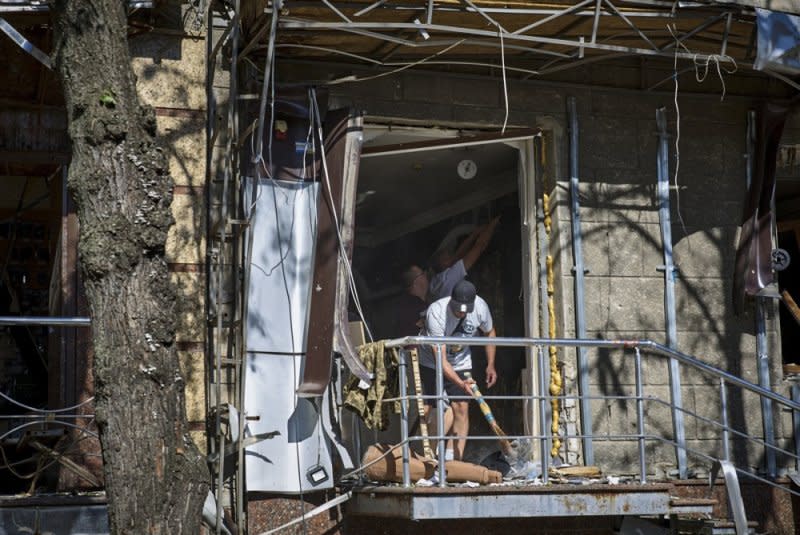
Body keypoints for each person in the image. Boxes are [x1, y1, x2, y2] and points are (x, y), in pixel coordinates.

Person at [419, 279, 497, 461]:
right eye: (457, 309)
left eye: (465, 310)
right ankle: (428, 458)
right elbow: (441, 359)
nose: (461, 313)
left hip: (461, 360)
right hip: (431, 361)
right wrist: (460, 383)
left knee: (461, 407)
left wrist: (490, 363)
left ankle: (454, 460)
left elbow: (489, 332)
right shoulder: (436, 313)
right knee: (430, 408)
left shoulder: (480, 307)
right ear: (451, 300)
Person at [428, 216, 500, 301]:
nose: (452, 254)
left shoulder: (435, 281)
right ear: (445, 263)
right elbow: (480, 246)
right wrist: (493, 224)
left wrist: (474, 234)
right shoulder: (452, 276)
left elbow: (458, 255)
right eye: (449, 255)